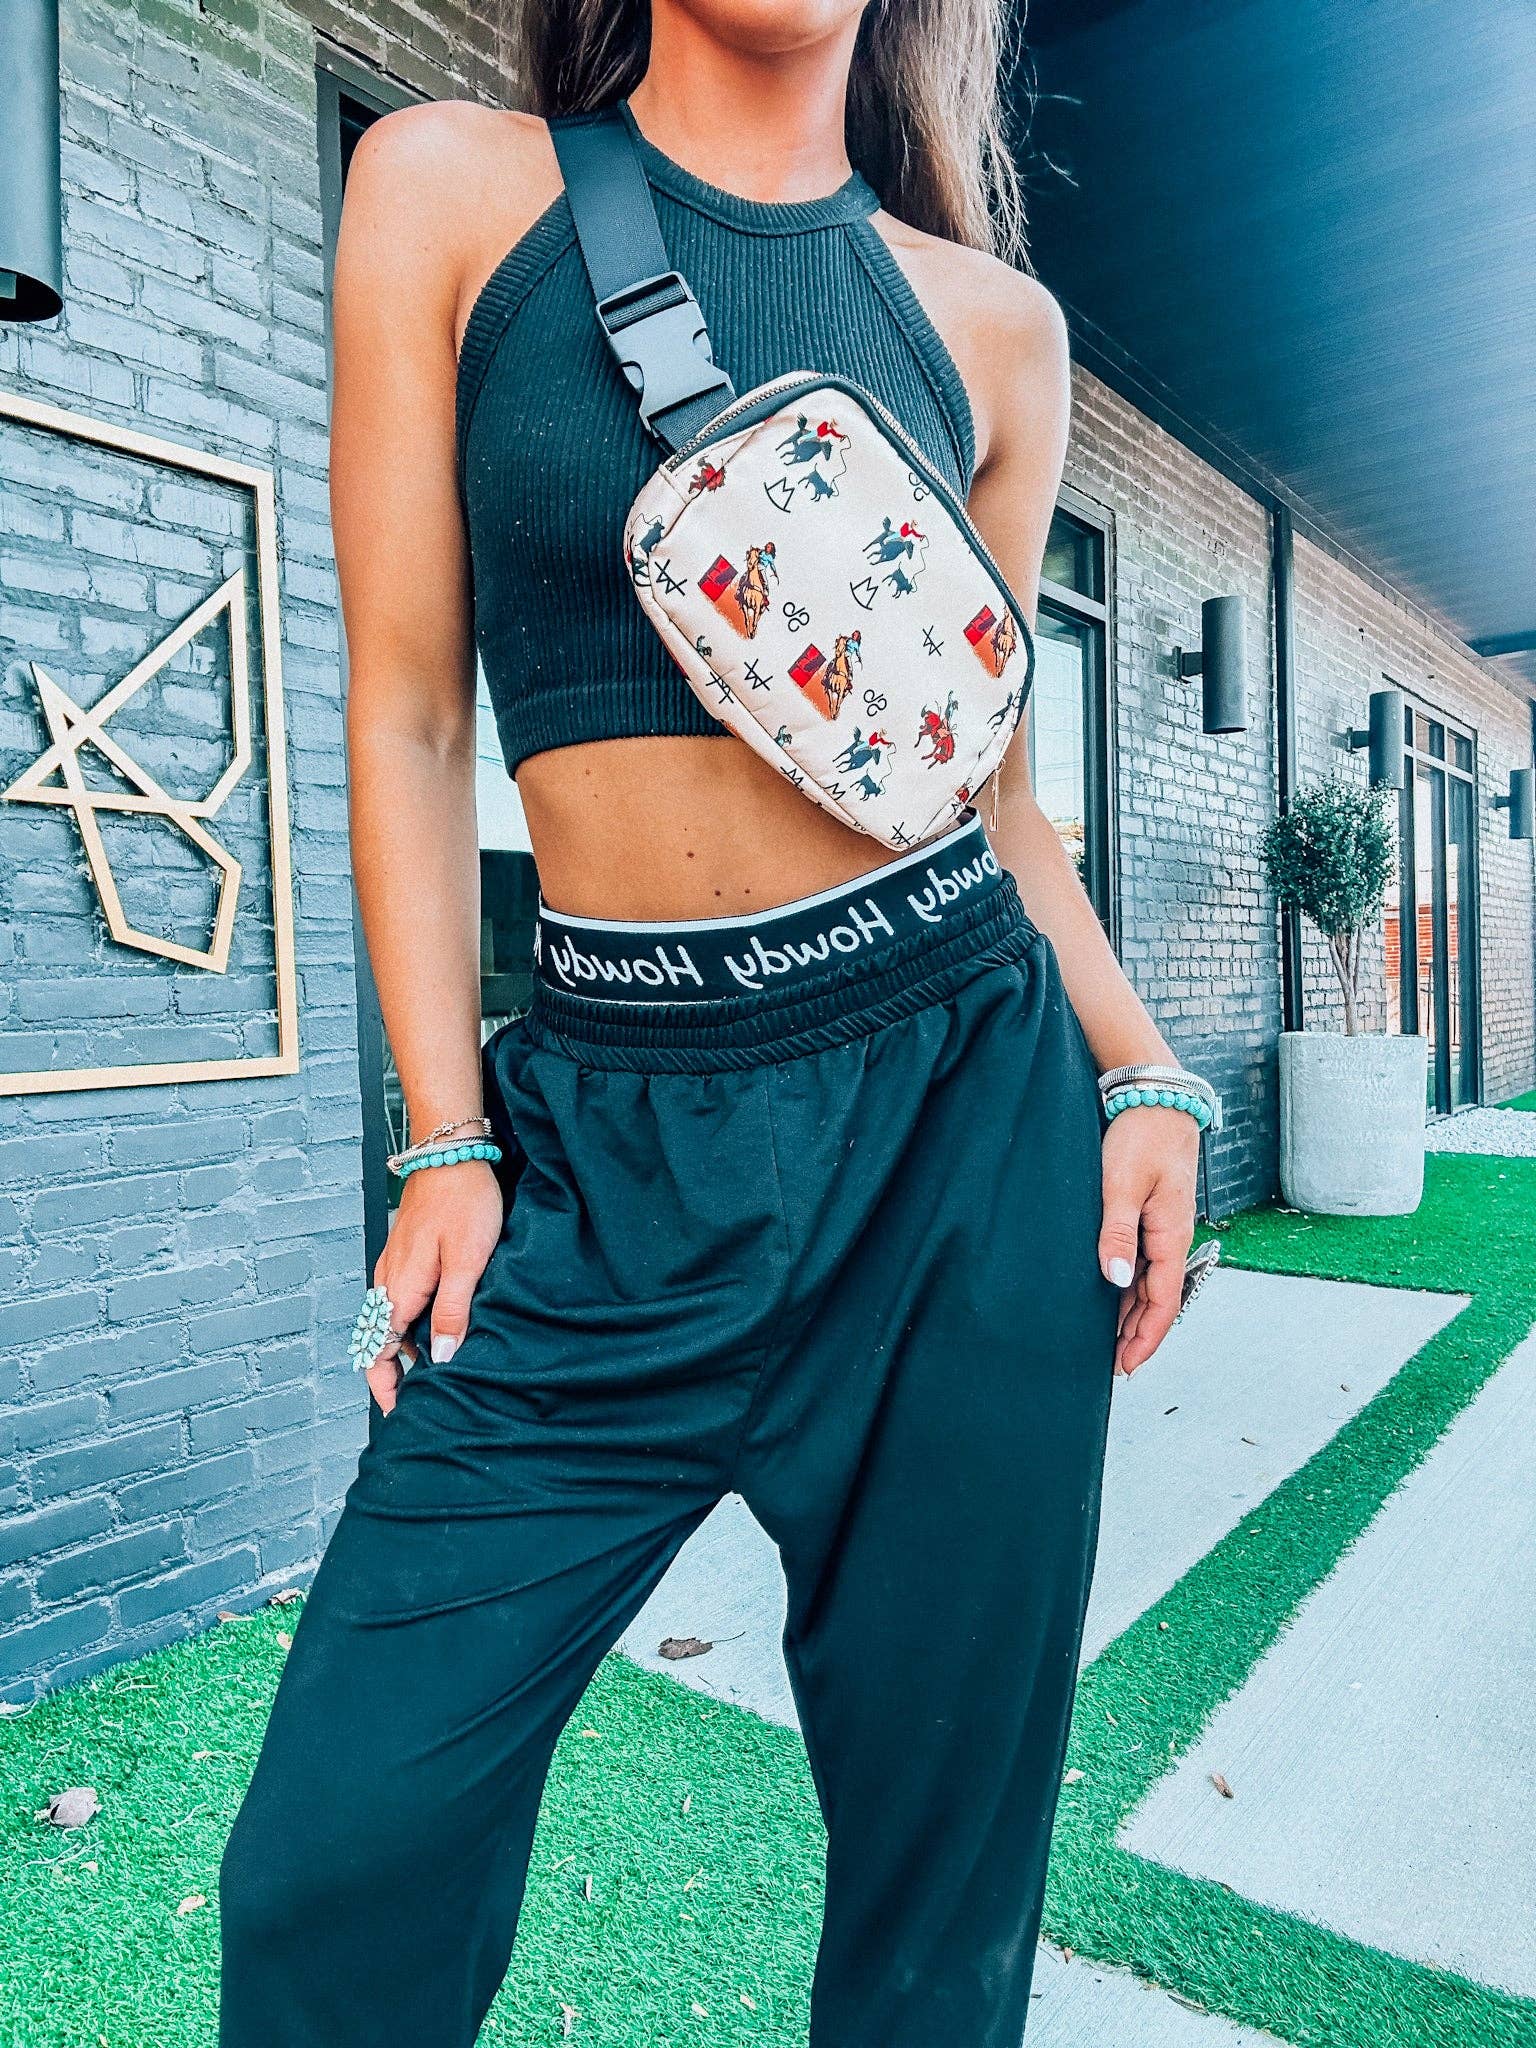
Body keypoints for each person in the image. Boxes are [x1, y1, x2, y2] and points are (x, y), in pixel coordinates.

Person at [219, 4, 1206, 2042]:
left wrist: (1143, 1064)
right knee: (336, 1860)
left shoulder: (995, 329)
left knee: (942, 1922)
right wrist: (442, 1134)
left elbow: (990, 790)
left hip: (960, 1129)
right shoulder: (449, 191)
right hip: (598, 1150)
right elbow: (406, 714)